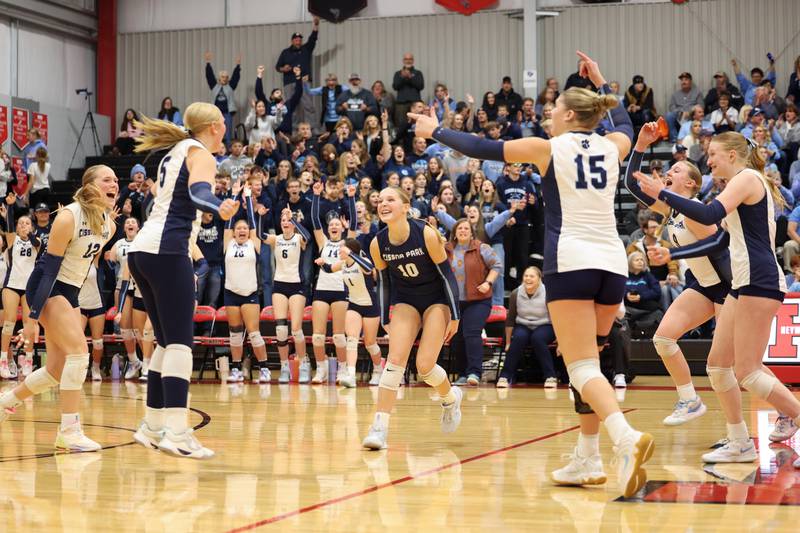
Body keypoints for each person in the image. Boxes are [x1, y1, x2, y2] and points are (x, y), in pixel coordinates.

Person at [409, 51, 653, 498]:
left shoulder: (549, 148)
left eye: (553, 110)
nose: (548, 114)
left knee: (579, 367)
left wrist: (435, 131)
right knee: (591, 365)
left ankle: (625, 438)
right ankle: (588, 456)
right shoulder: (611, 145)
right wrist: (601, 80)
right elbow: (625, 125)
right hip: (613, 264)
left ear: (568, 116)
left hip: (571, 261)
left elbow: (484, 148)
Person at [635, 131, 800, 465]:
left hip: (760, 279)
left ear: (733, 154)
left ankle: (790, 414)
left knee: (748, 371)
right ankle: (739, 442)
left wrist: (664, 193)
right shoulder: (736, 186)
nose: (707, 161)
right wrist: (670, 251)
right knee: (717, 367)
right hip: (742, 282)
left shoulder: (747, 178)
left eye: (713, 154)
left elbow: (708, 217)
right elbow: (718, 240)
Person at [127, 102, 238, 459]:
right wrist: (217, 206)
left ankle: (153, 425)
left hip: (142, 249)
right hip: (166, 249)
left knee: (164, 342)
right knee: (179, 344)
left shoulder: (176, 150)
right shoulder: (201, 153)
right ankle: (176, 431)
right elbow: (198, 192)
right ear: (216, 127)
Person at [0, 165, 116, 451]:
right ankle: (69, 430)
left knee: (55, 370)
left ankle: (5, 401)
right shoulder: (68, 217)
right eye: (107, 179)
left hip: (72, 292)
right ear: (90, 186)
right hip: (50, 288)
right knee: (79, 355)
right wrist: (33, 316)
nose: (114, 183)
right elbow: (45, 269)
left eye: (115, 180)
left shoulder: (110, 224)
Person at [624, 121, 731, 425]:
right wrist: (641, 145)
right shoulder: (671, 209)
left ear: (692, 184)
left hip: (727, 287)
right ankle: (689, 399)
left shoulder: (697, 210)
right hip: (702, 286)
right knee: (663, 339)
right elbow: (632, 185)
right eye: (670, 169)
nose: (670, 172)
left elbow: (717, 246)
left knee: (732, 368)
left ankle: (777, 416)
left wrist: (671, 254)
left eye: (678, 170)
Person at [361, 186, 463, 451]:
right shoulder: (377, 243)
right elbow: (383, 282)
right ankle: (379, 427)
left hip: (436, 300)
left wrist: (455, 315)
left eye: (390, 199)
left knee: (425, 367)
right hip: (406, 300)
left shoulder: (426, 234)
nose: (383, 203)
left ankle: (450, 399)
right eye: (380, 200)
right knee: (394, 362)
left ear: (405, 207)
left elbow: (447, 276)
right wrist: (385, 316)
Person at [222, 184, 271, 384]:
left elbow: (252, 224)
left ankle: (264, 368)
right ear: (233, 232)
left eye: (244, 228)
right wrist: (234, 195)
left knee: (254, 333)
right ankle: (235, 369)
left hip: (249, 293)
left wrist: (248, 197)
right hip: (231, 293)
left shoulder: (254, 243)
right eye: (238, 228)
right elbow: (227, 221)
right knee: (234, 334)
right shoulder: (228, 243)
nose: (242, 230)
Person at [310, 181, 357, 384]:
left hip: (340, 291)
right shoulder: (323, 242)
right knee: (318, 336)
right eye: (331, 225)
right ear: (328, 229)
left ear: (342, 227)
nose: (334, 226)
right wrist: (316, 196)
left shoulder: (348, 243)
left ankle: (343, 369)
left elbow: (354, 223)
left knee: (339, 336)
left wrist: (352, 198)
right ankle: (320, 370)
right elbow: (314, 220)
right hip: (322, 290)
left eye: (337, 224)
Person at [445, 218, 502, 386]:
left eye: (466, 228)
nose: (463, 231)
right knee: (456, 337)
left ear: (471, 232)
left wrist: (488, 283)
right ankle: (462, 374)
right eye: (460, 228)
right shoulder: (446, 249)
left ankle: (474, 373)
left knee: (471, 333)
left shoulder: (481, 247)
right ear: (454, 232)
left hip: (478, 300)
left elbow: (497, 265)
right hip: (454, 302)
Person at [324, 238, 382, 388]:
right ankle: (350, 375)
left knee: (370, 343)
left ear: (350, 249)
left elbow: (370, 268)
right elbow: (329, 269)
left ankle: (378, 370)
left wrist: (352, 254)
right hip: (354, 305)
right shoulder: (342, 264)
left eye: (342, 247)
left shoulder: (362, 261)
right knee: (351, 339)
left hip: (370, 305)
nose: (339, 249)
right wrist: (321, 263)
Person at [265, 209, 312, 384]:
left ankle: (304, 363)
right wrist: (260, 215)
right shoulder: (275, 239)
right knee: (281, 330)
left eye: (289, 220)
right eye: (283, 220)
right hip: (279, 285)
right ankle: (284, 366)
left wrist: (295, 220)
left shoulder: (298, 239)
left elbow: (307, 236)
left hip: (297, 285)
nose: (286, 222)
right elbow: (259, 233)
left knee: (296, 329)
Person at [0, 192, 39, 379]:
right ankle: (4, 361)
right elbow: (8, 226)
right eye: (21, 223)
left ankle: (28, 360)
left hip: (29, 287)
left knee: (29, 325)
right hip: (12, 285)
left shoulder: (36, 242)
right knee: (8, 322)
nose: (23, 226)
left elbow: (36, 243)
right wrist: (9, 208)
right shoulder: (12, 239)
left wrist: (29, 233)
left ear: (32, 227)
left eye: (27, 223)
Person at [498, 266, 557, 388]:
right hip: (523, 324)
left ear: (540, 279)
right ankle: (505, 376)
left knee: (538, 339)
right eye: (526, 276)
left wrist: (561, 340)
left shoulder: (548, 293)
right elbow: (510, 319)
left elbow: (557, 317)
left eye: (532, 276)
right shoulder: (516, 293)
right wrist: (508, 342)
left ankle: (550, 376)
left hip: (545, 324)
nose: (528, 279)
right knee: (518, 338)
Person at [108, 217, 143, 379]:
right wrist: (109, 258)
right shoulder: (119, 244)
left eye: (133, 222)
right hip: (121, 288)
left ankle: (150, 362)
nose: (130, 224)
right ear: (124, 228)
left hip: (140, 289)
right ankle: (134, 361)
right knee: (125, 329)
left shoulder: (143, 242)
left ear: (138, 227)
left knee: (140, 329)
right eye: (128, 222)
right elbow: (110, 263)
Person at [275, 17, 319, 128]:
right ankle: (293, 130)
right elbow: (277, 67)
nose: (298, 40)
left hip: (304, 82)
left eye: (300, 39)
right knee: (292, 107)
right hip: (289, 82)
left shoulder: (306, 49)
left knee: (308, 106)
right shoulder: (285, 52)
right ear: (292, 40)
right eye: (296, 39)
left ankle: (312, 130)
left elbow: (313, 38)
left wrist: (316, 25)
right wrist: (283, 69)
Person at [204, 51, 241, 144]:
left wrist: (238, 66)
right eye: (222, 77)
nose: (224, 78)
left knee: (227, 131)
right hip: (216, 114)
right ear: (219, 78)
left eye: (226, 77)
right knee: (215, 131)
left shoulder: (230, 86)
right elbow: (209, 76)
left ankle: (228, 147)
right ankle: (215, 148)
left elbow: (236, 77)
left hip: (227, 113)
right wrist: (208, 63)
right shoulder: (214, 86)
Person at [79, 263, 106, 381]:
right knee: (77, 340)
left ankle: (95, 367)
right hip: (79, 305)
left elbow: (101, 244)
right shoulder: (74, 262)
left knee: (98, 342)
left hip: (96, 304)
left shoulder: (94, 259)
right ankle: (81, 369)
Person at [665, 72, 704, 143]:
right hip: (679, 116)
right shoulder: (675, 94)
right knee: (669, 115)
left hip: (692, 115)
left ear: (690, 81)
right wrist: (681, 112)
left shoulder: (697, 93)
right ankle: (675, 139)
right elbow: (671, 107)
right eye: (682, 80)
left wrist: (690, 112)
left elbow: (701, 106)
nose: (683, 82)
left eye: (686, 79)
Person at [392, 53, 424, 133]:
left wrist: (410, 77)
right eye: (406, 59)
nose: (408, 61)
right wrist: (402, 77)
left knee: (416, 123)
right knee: (401, 124)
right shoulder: (398, 73)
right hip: (401, 105)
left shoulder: (418, 73)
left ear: (413, 61)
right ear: (403, 61)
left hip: (414, 104)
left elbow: (420, 86)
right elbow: (395, 87)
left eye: (410, 59)